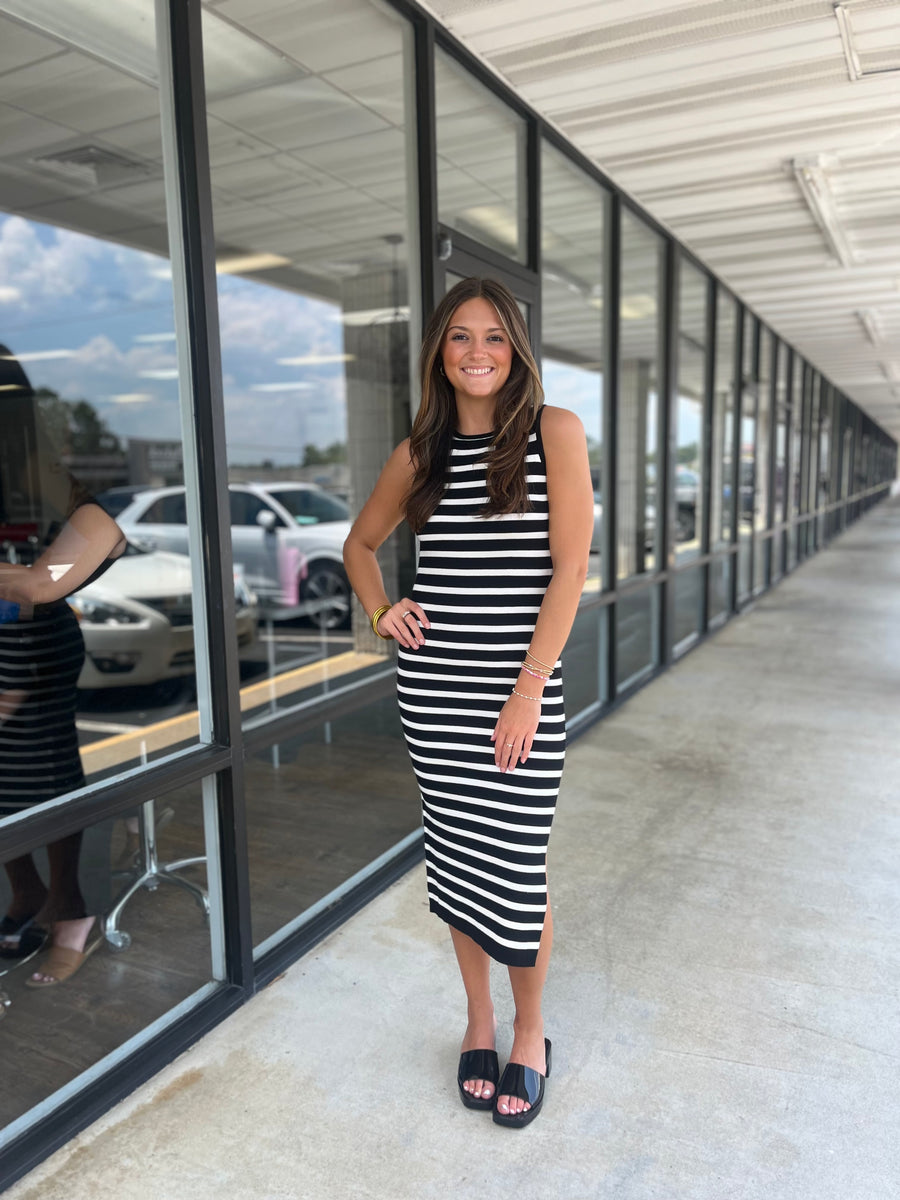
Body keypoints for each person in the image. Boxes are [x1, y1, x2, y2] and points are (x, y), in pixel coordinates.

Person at [343, 277, 593, 1126]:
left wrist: (527, 694)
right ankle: (478, 1022)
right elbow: (360, 545)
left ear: (515, 348)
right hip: (436, 690)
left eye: (493, 336)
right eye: (458, 337)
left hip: (519, 691)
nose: (476, 351)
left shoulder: (554, 433)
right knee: (456, 865)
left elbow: (568, 572)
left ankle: (530, 1030)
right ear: (438, 354)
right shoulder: (418, 453)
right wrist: (383, 611)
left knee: (517, 868)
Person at [0, 348, 126, 986]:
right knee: (3, 791)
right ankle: (27, 896)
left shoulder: (42, 476)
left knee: (43, 781)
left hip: (33, 653)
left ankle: (70, 909)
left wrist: (31, 582)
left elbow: (45, 580)